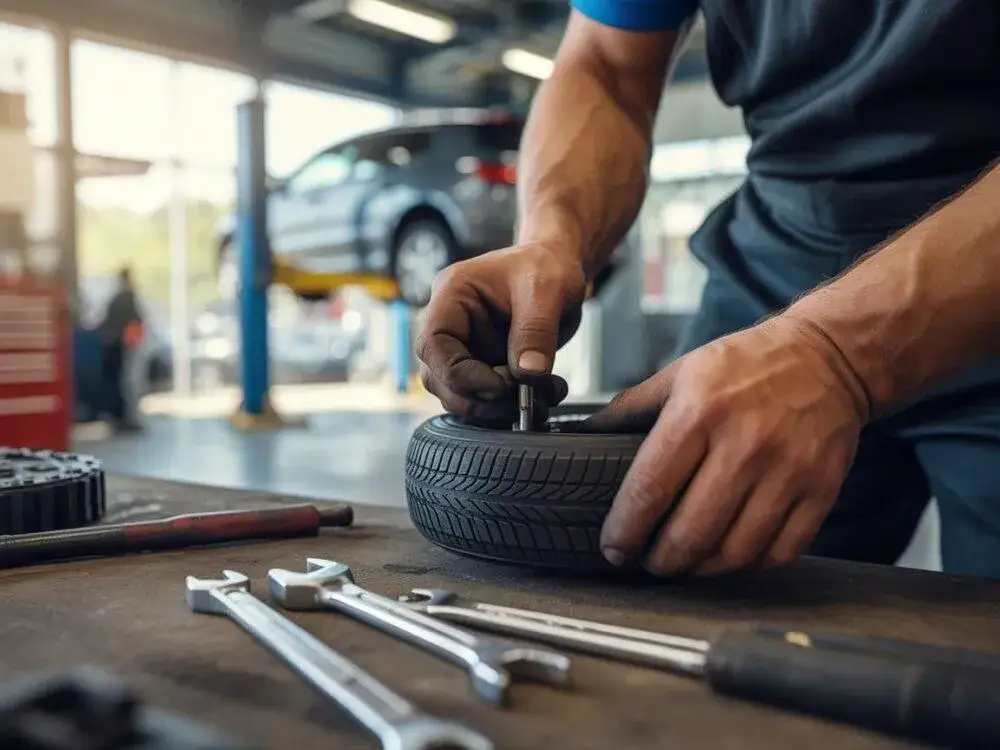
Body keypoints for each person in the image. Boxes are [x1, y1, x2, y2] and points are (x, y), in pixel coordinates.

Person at [416, 1, 1000, 579]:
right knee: (687, 594)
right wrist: (552, 237)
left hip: (983, 285)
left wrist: (838, 354)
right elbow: (606, 67)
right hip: (776, 279)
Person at [97, 268, 144, 432]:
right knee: (127, 384)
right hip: (123, 347)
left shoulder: (121, 298)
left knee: (126, 384)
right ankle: (127, 418)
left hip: (120, 347)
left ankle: (124, 419)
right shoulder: (129, 298)